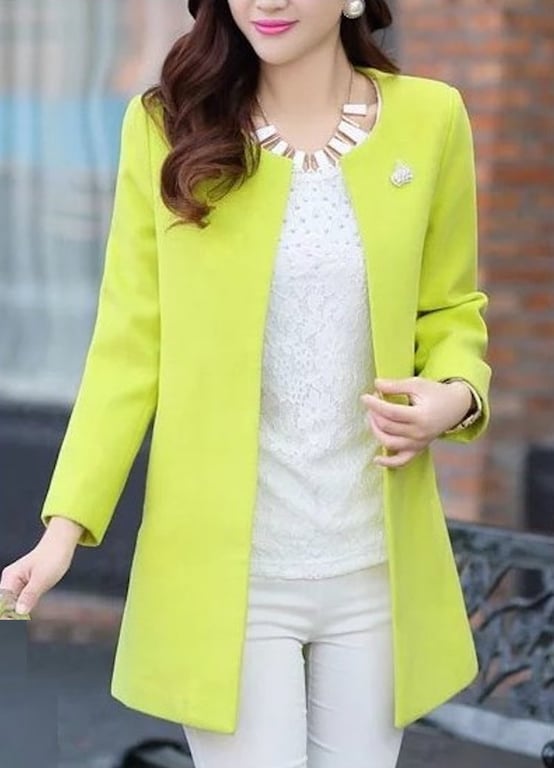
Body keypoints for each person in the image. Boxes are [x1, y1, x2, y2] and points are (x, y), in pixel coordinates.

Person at [0, 1, 492, 766]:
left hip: (375, 567)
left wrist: (454, 396)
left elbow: (451, 306)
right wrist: (65, 527)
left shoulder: (431, 119)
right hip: (228, 577)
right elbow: (130, 346)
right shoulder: (168, 125)